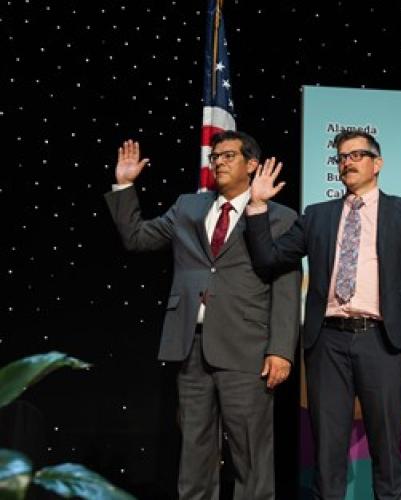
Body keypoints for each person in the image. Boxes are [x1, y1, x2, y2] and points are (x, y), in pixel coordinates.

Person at [243, 130, 401, 500]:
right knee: (327, 452)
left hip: (381, 342)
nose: (347, 162)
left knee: (386, 448)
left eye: (356, 155)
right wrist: (257, 208)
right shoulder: (318, 215)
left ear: (377, 163)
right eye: (341, 157)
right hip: (327, 344)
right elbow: (269, 259)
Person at [105, 131, 302, 499]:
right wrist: (124, 186)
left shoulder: (279, 217)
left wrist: (281, 349)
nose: (219, 162)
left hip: (247, 348)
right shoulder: (188, 207)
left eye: (228, 156)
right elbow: (137, 238)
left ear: (252, 164)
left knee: (250, 454)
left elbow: (286, 288)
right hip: (190, 346)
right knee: (195, 449)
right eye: (215, 157)